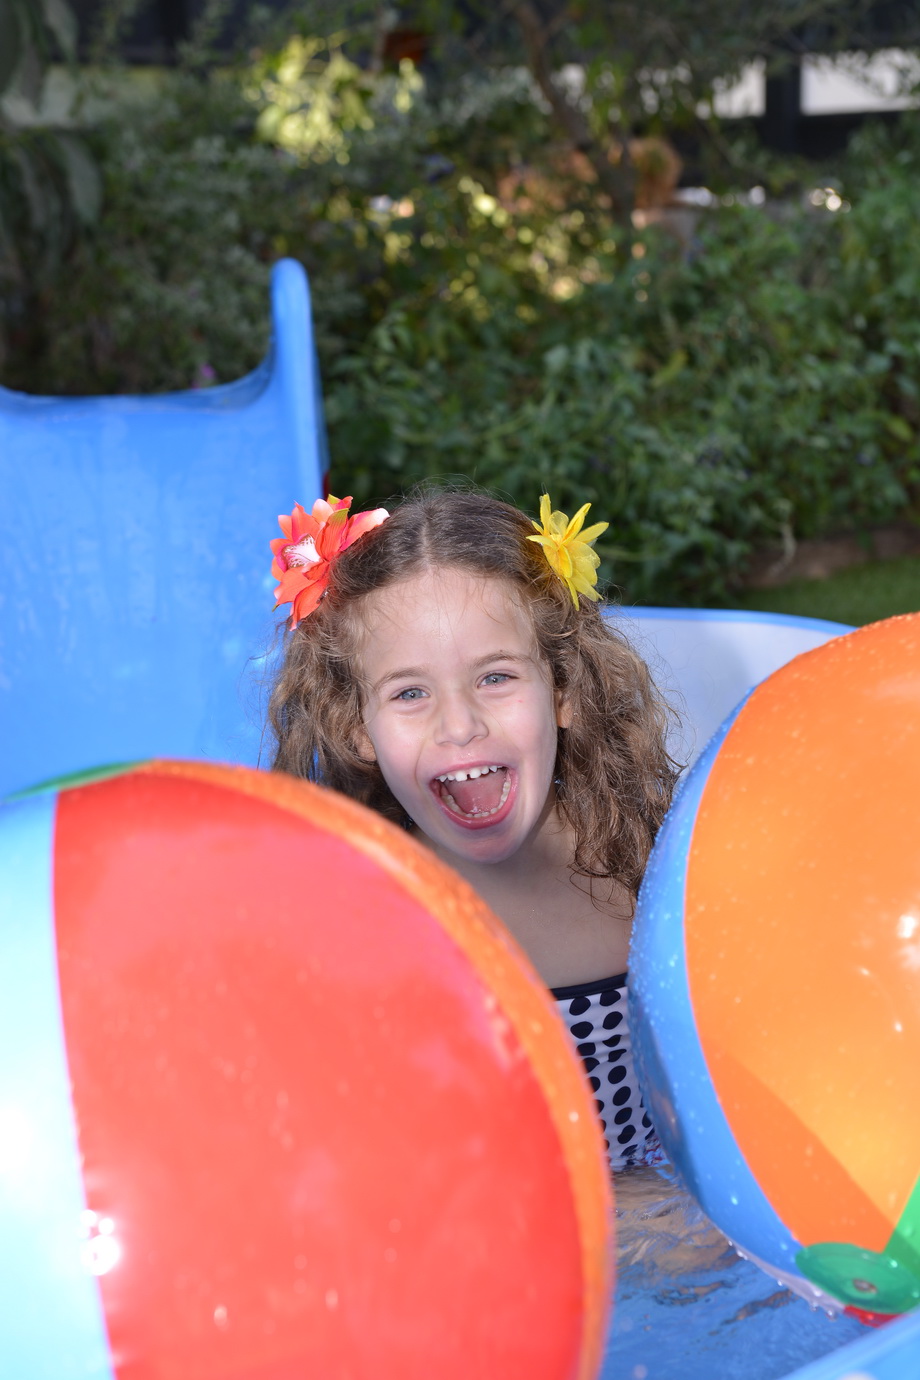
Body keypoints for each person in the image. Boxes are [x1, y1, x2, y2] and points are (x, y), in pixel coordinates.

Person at [267, 486, 679, 1173]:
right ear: (354, 726)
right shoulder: (365, 925)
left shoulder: (652, 862)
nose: (458, 725)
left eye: (495, 677)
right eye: (410, 692)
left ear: (563, 689)